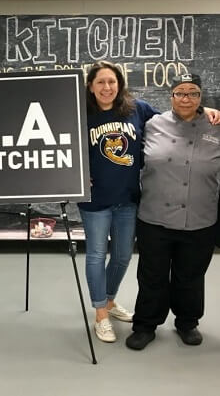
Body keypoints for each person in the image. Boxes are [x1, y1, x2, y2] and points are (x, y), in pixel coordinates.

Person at [125, 74, 220, 350]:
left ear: (201, 97)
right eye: (180, 93)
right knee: (151, 275)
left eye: (192, 93)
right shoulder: (153, 124)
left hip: (200, 217)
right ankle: (145, 325)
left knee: (190, 275)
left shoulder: (215, 125)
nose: (186, 98)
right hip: (154, 217)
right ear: (171, 96)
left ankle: (187, 322)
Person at [77, 61, 156, 343]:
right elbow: (60, 145)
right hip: (95, 201)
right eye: (101, 82)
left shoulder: (139, 109)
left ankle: (109, 301)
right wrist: (75, 174)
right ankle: (100, 313)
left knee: (122, 256)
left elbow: (173, 124)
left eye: (112, 82)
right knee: (97, 256)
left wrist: (202, 110)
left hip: (128, 198)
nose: (107, 87)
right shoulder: (79, 113)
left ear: (119, 84)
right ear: (90, 86)